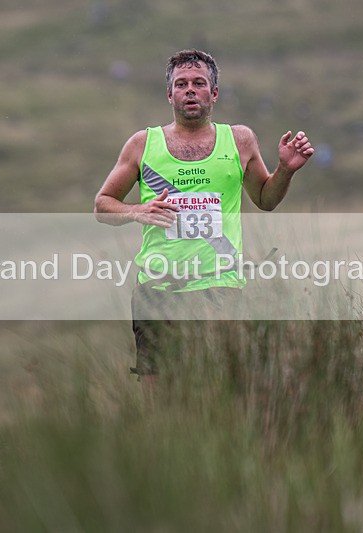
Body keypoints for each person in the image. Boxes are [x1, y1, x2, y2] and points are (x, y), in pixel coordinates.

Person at [94, 49, 314, 384]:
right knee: (160, 393)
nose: (190, 90)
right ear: (170, 95)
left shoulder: (239, 139)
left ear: (214, 93)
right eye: (181, 84)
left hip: (220, 286)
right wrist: (139, 210)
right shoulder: (143, 144)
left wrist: (285, 170)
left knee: (218, 388)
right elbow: (103, 205)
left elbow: (265, 200)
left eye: (199, 83)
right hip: (158, 288)